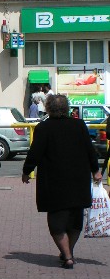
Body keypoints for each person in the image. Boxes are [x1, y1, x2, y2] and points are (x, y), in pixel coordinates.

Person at [22, 94, 102, 269]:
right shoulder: (79, 125)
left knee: (56, 221)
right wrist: (96, 170)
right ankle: (69, 252)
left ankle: (67, 256)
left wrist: (27, 171)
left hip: (54, 182)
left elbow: (35, 152)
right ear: (67, 108)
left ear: (48, 108)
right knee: (75, 220)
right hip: (78, 180)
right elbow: (90, 150)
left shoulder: (43, 128)